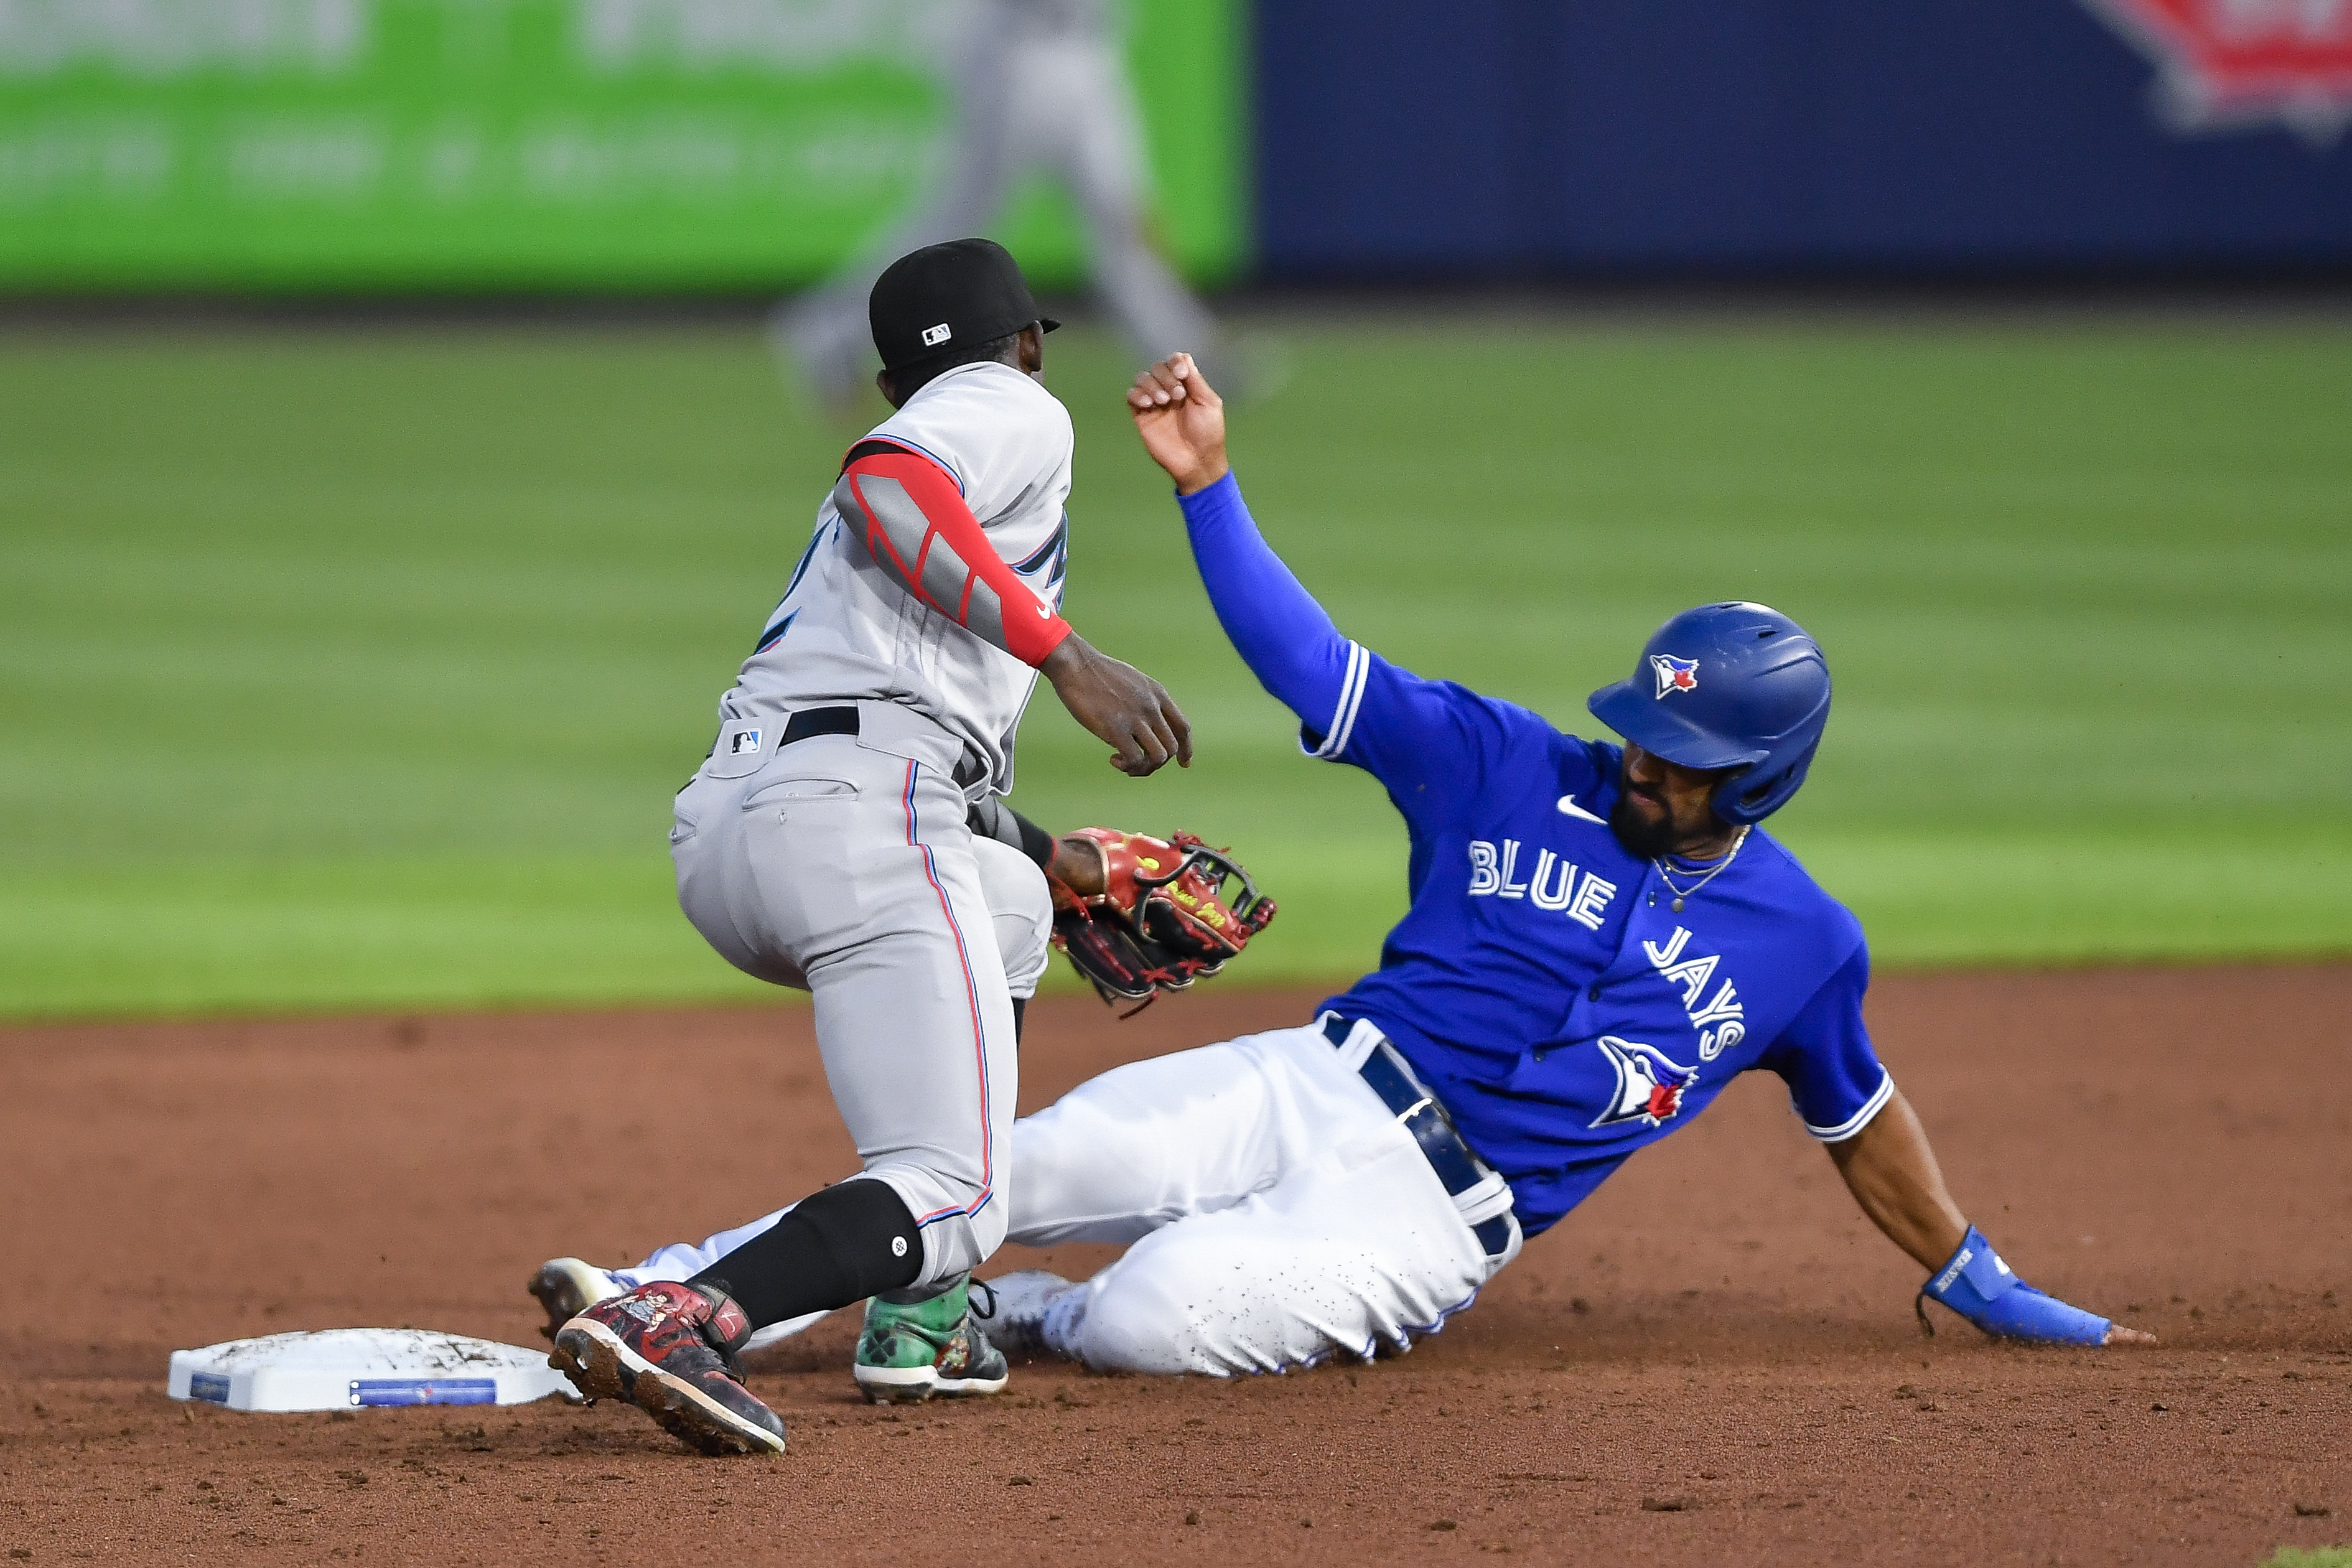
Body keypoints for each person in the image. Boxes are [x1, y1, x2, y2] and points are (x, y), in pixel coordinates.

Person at [961, 353, 2159, 1373]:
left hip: (1429, 1220)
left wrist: (1974, 1273)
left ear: (1760, 781)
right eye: (1646, 729)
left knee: (1149, 1311)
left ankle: (1038, 1314)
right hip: (1315, 1078)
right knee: (1002, 1170)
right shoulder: (1507, 764)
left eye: (1683, 758)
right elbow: (1315, 668)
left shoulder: (1805, 944)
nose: (1645, 761)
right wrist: (1210, 488)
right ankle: (766, 1286)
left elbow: (1859, 1113)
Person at [539, 239, 1190, 1457]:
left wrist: (1054, 856)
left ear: (893, 378)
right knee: (958, 1190)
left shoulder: (933, 448)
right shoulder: (1009, 407)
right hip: (857, 817)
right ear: (1032, 346)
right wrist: (1072, 658)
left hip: (739, 832)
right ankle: (685, 1311)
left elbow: (902, 731)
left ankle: (924, 1317)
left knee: (1004, 902)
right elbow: (890, 487)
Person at [772, 0, 1227, 411]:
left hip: (1090, 52)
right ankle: (828, 332)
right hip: (1017, 52)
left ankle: (1185, 358)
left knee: (1123, 218)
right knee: (954, 227)